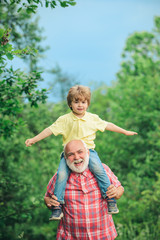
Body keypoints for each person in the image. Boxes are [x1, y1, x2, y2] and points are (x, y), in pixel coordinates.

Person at [25, 85, 137, 220]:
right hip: (69, 154)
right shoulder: (64, 120)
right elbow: (49, 130)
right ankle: (57, 206)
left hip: (88, 152)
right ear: (70, 104)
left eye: (83, 102)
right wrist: (34, 139)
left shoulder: (93, 118)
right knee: (61, 174)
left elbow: (108, 125)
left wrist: (125, 131)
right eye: (76, 102)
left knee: (98, 169)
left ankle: (110, 199)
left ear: (88, 104)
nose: (80, 105)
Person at [44, 140, 124, 240]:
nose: (77, 157)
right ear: (65, 158)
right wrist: (49, 203)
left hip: (103, 235)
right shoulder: (60, 177)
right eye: (71, 154)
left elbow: (120, 189)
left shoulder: (102, 170)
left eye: (80, 152)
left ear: (88, 152)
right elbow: (47, 197)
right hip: (70, 237)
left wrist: (116, 192)